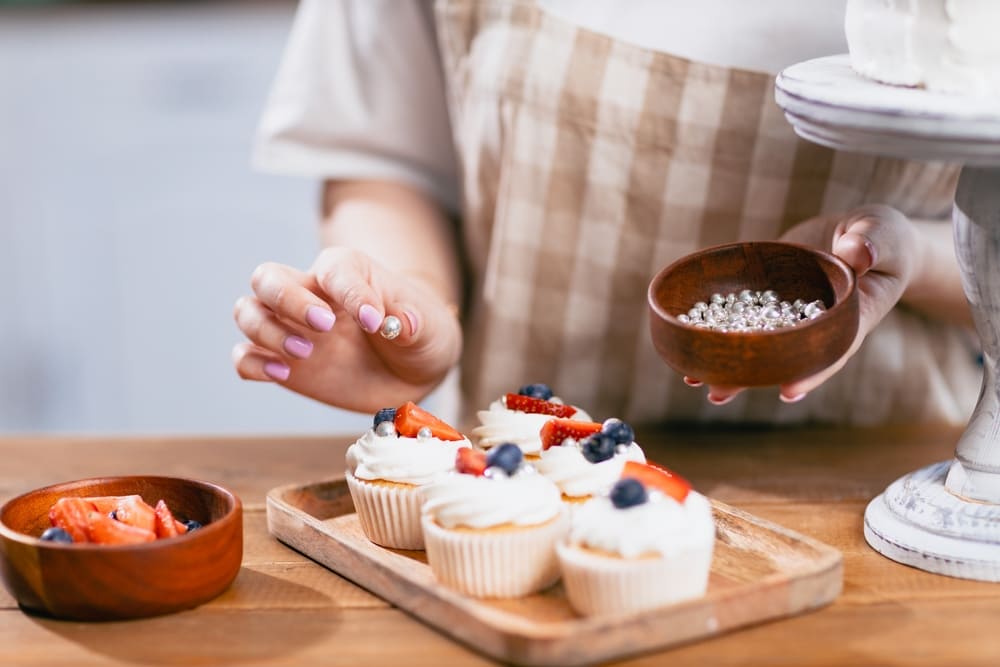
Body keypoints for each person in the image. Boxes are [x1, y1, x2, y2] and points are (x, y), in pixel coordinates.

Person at [232, 0, 980, 427]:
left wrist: (907, 255)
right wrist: (405, 307)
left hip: (888, 502)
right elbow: (389, 159)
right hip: (517, 483)